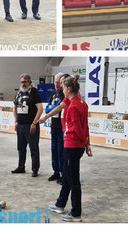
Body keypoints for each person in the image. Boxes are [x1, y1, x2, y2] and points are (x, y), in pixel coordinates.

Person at [48, 75, 92, 222]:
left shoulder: (73, 106)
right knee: (67, 176)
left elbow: (79, 129)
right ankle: (60, 204)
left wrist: (83, 142)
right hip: (75, 145)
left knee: (73, 181)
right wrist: (87, 143)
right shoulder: (81, 103)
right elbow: (85, 126)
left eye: (63, 86)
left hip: (72, 145)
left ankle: (76, 213)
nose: (62, 88)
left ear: (69, 89)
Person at [11, 74, 44, 176]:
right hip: (20, 125)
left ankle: (35, 169)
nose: (23, 84)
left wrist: (34, 122)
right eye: (22, 82)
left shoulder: (34, 92)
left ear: (29, 82)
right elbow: (14, 107)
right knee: (21, 148)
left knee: (33, 148)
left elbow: (40, 108)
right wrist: (16, 121)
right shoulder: (19, 93)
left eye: (25, 82)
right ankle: (21, 167)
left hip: (31, 126)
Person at [44, 73, 68, 184]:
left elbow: (58, 107)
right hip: (53, 126)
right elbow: (47, 109)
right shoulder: (53, 94)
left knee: (61, 150)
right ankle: (56, 171)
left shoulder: (64, 95)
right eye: (56, 82)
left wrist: (52, 108)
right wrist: (52, 108)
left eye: (59, 83)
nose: (57, 85)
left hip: (61, 126)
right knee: (53, 149)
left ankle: (64, 173)